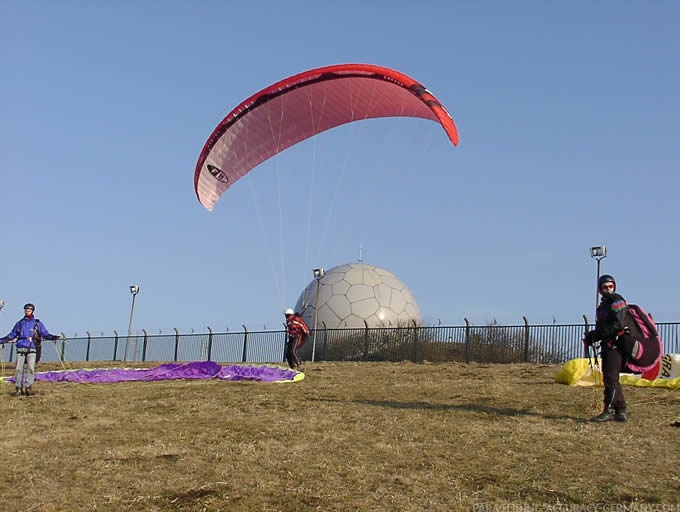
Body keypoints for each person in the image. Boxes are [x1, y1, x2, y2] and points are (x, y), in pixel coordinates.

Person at [584, 275, 634, 422]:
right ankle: (620, 410)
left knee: (610, 377)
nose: (608, 289)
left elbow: (617, 325)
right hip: (608, 344)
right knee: (611, 377)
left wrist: (598, 334)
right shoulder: (602, 307)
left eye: (610, 286)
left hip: (617, 344)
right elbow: (604, 327)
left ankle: (609, 410)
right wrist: (594, 336)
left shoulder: (617, 301)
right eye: (605, 287)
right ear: (600, 290)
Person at [0, 303, 61, 396]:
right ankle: (18, 388)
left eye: (29, 310)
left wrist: (53, 337)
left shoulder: (37, 323)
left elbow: (45, 333)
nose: (27, 311)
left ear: (32, 311)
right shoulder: (20, 323)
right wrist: (2, 340)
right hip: (21, 348)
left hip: (32, 348)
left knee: (31, 368)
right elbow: (12, 335)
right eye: (26, 310)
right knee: (18, 369)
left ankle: (28, 387)